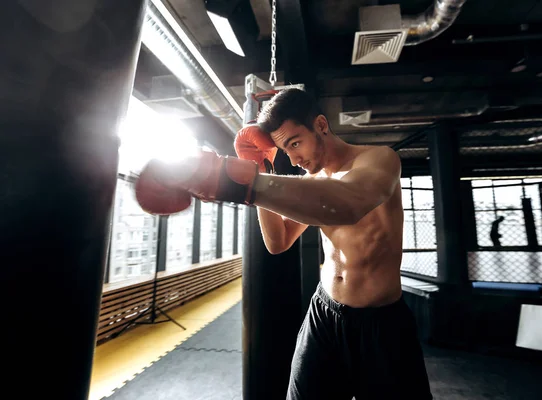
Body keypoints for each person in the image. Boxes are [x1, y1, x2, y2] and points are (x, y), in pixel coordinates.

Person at [134, 88, 432, 400]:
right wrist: (259, 168)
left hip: (380, 323)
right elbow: (278, 241)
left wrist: (233, 182)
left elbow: (350, 203)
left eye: (294, 143)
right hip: (325, 312)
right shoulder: (311, 184)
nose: (293, 159)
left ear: (320, 125)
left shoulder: (379, 159)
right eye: (284, 151)